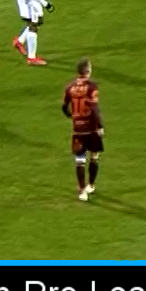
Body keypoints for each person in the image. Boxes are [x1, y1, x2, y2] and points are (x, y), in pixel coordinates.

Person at [62, 58, 103, 201]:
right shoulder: (92, 87)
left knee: (80, 160)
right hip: (91, 128)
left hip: (77, 128)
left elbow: (64, 107)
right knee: (94, 156)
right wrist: (99, 126)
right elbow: (94, 108)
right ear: (88, 71)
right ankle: (91, 185)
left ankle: (81, 191)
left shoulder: (69, 87)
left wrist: (72, 116)